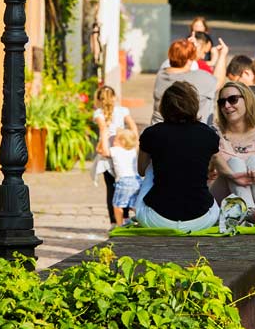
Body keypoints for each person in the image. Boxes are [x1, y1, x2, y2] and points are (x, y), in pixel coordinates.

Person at [135, 81, 220, 230]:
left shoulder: (152, 133)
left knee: (151, 165)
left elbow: (141, 170)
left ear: (164, 107)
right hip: (201, 220)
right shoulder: (208, 134)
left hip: (157, 219)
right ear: (194, 105)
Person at [210, 81, 255, 228]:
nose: (227, 106)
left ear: (247, 101)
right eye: (222, 102)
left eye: (232, 99)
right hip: (218, 200)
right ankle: (253, 213)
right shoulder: (213, 133)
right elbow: (215, 157)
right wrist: (235, 176)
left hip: (246, 198)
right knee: (235, 163)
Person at [151, 38, 226, 124]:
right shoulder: (199, 77)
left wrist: (189, 51)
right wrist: (222, 55)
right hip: (194, 133)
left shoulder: (161, 75)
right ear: (190, 60)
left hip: (159, 131)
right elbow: (218, 81)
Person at [93, 85, 138, 223]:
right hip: (123, 148)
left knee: (111, 188)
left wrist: (103, 145)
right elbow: (133, 126)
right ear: (114, 97)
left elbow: (103, 130)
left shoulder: (99, 113)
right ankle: (125, 216)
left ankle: (114, 221)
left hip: (108, 153)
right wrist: (133, 142)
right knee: (125, 183)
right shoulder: (123, 110)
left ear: (99, 99)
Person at [109, 127, 140, 226]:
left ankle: (119, 225)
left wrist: (103, 133)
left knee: (117, 205)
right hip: (136, 180)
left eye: (116, 138)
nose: (113, 140)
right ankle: (141, 222)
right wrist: (133, 126)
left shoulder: (116, 150)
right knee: (134, 205)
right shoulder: (133, 151)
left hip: (124, 181)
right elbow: (136, 139)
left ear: (122, 141)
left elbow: (103, 151)